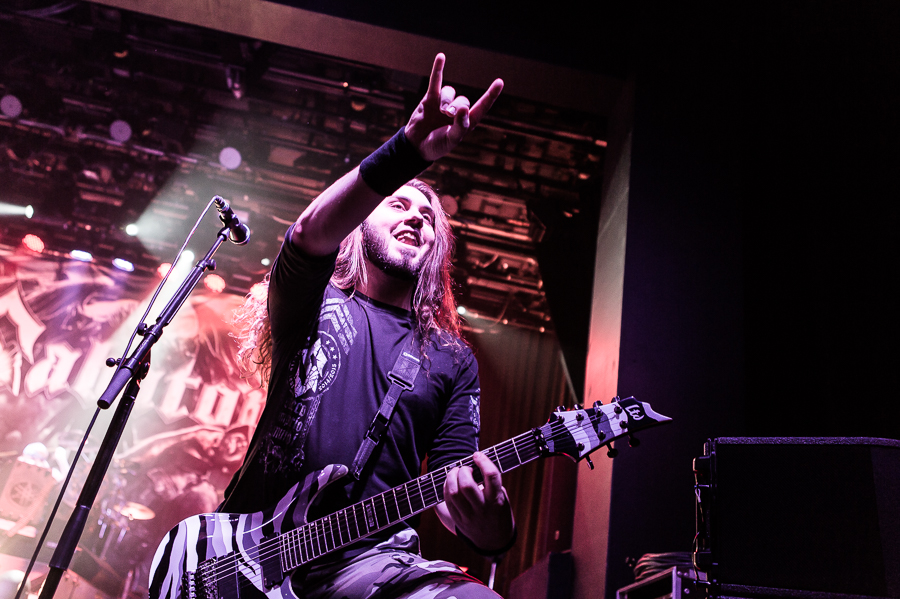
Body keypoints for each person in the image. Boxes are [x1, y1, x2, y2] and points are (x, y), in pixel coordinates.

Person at [222, 54, 514, 598]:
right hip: (245, 558)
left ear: (436, 248)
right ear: (360, 225)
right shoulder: (312, 300)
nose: (415, 217)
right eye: (398, 204)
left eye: (428, 218)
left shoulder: (451, 360)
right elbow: (308, 233)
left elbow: (452, 490)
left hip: (370, 564)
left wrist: (491, 528)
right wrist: (407, 151)